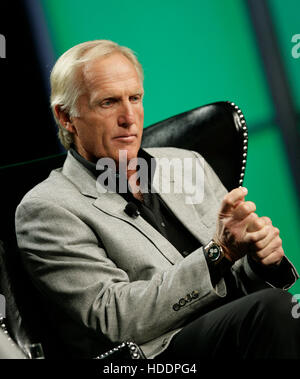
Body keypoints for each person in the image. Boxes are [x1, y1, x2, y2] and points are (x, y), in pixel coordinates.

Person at [15, 40, 299, 359]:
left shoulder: (187, 164)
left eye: (134, 98)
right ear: (66, 117)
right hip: (156, 357)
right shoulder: (45, 210)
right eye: (108, 102)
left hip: (234, 329)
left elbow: (232, 284)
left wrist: (259, 262)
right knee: (274, 311)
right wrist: (218, 253)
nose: (129, 117)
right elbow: (116, 317)